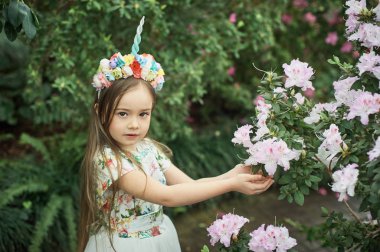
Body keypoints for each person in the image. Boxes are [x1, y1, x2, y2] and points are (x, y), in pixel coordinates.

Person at [78, 17, 274, 252]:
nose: (134, 124)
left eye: (143, 114)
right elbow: (167, 196)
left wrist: (230, 175)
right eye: (122, 114)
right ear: (100, 112)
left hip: (160, 236)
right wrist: (231, 184)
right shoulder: (110, 160)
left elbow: (189, 186)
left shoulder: (148, 148)